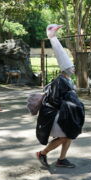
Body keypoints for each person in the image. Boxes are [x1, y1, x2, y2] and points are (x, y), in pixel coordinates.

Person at [35, 24, 85, 168]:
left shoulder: (67, 80)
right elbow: (58, 101)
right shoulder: (61, 81)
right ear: (66, 70)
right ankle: (42, 153)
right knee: (64, 136)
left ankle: (61, 160)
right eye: (71, 67)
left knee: (70, 134)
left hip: (61, 114)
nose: (74, 68)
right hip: (54, 115)